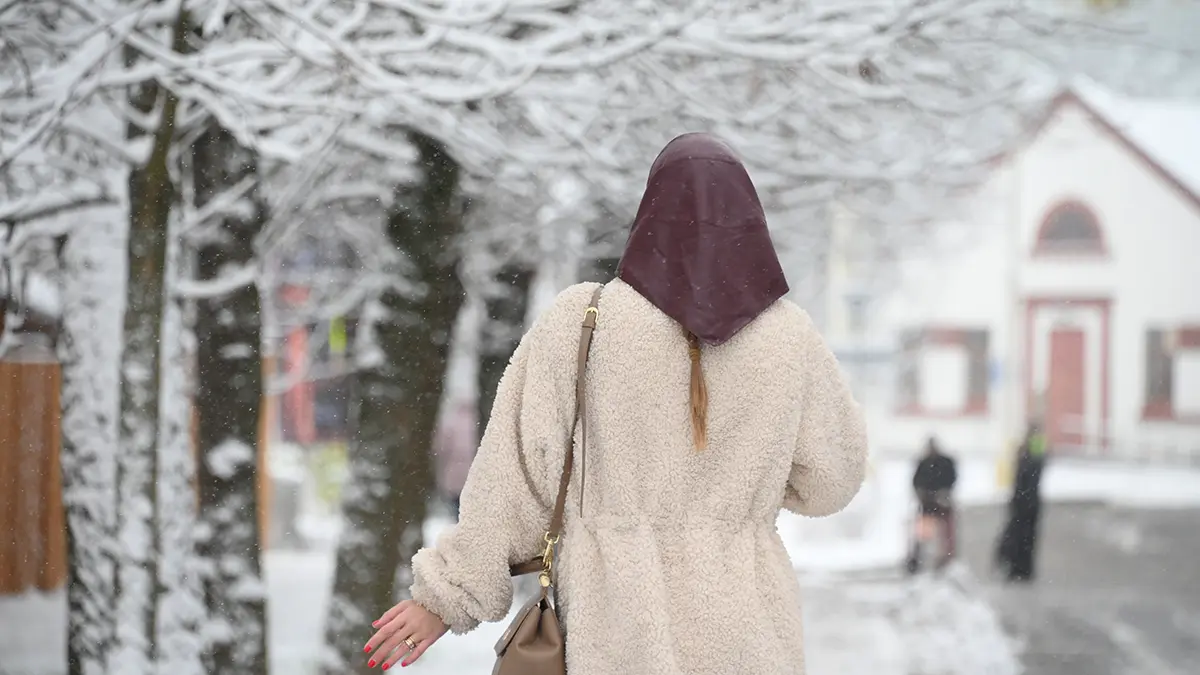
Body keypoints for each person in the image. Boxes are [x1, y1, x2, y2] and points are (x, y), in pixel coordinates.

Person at [363, 133, 869, 673]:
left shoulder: (585, 320)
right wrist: (743, 486)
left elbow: (515, 482)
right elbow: (831, 478)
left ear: (651, 214)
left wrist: (446, 598)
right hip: (750, 635)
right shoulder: (790, 339)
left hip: (616, 631)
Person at [995, 422, 1048, 582]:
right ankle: (1020, 568)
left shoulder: (1033, 448)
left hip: (1026, 501)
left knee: (1022, 536)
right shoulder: (1031, 448)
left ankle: (1020, 569)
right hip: (1025, 500)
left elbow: (1032, 469)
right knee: (1022, 537)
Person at [907, 436, 958, 572]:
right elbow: (916, 482)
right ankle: (919, 559)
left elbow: (951, 479)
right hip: (928, 504)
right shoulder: (925, 464)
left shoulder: (943, 463)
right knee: (923, 533)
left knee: (945, 534)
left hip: (941, 503)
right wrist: (924, 494)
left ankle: (945, 558)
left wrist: (942, 493)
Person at [431, 400, 477, 520]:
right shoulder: (477, 421)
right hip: (474, 474)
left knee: (457, 511)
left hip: (453, 476)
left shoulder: (449, 423)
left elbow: (440, 448)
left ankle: (460, 530)